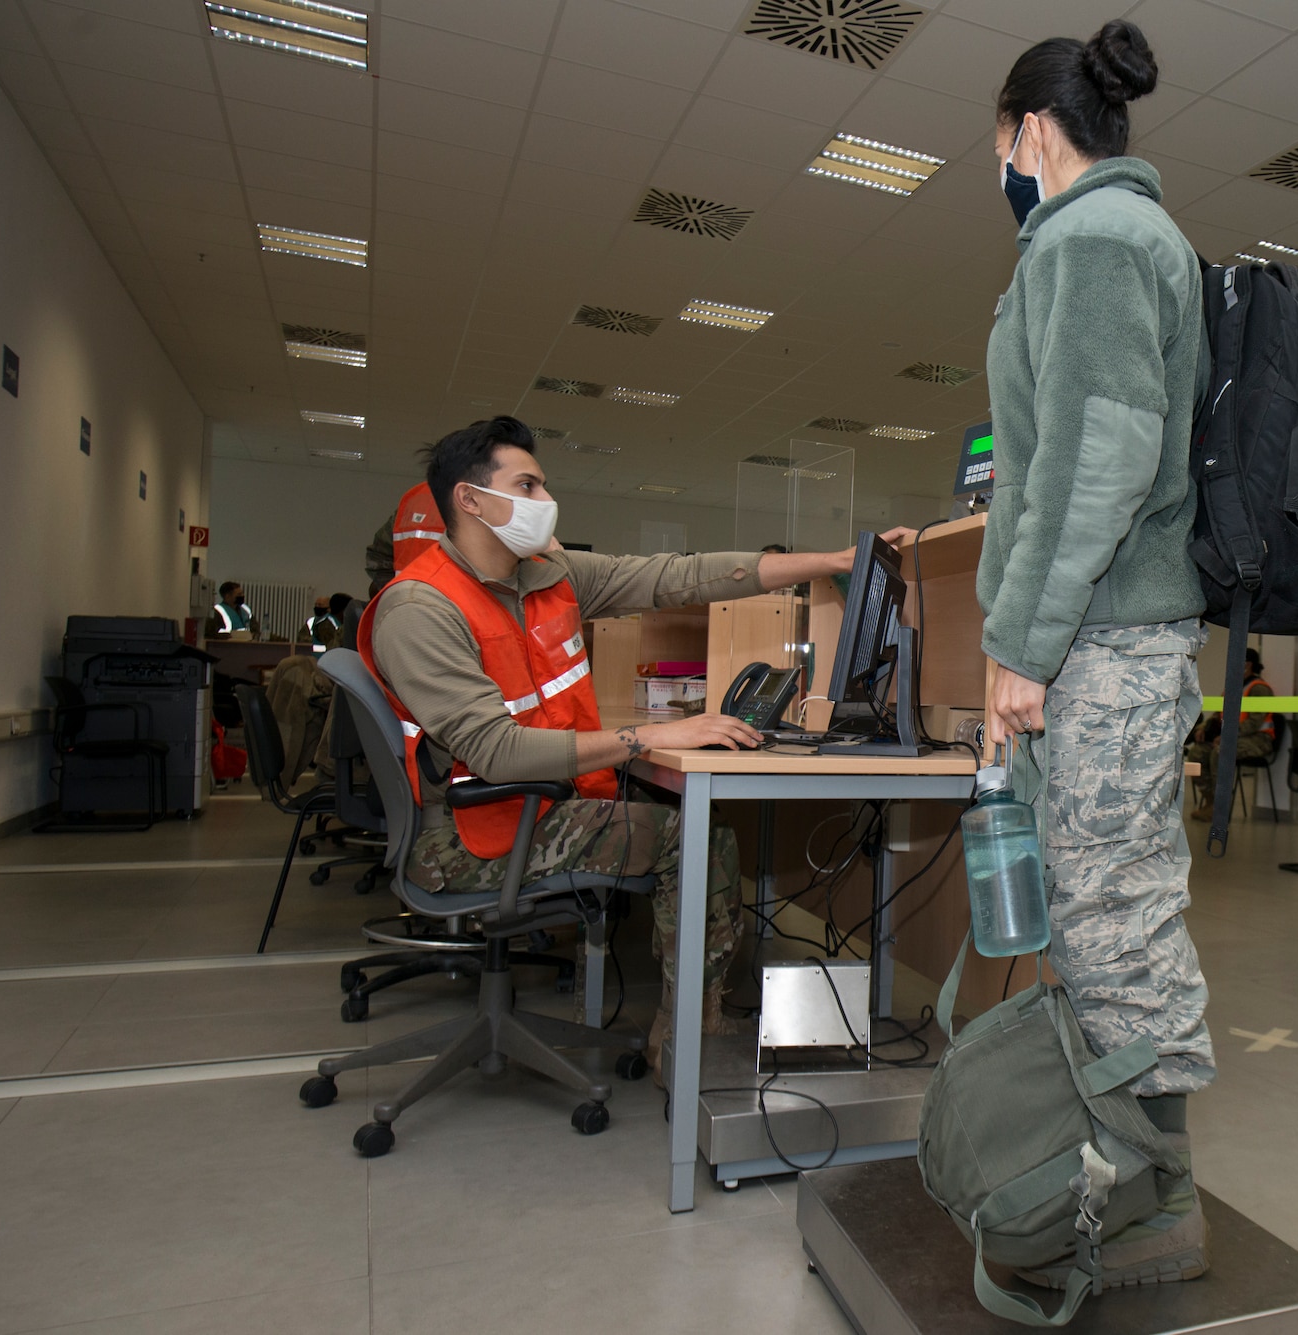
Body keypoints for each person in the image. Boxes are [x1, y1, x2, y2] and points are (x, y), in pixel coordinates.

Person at [359, 415, 910, 1073]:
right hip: (463, 835)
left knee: (683, 816)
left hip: (532, 805)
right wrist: (648, 736)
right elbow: (499, 751)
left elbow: (674, 577)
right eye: (527, 485)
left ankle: (689, 1018)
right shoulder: (421, 608)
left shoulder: (545, 576)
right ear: (470, 499)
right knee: (696, 837)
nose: (545, 503)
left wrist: (830, 561)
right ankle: (688, 1042)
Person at [977, 19, 1212, 1287]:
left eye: (998, 141)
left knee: (1116, 923)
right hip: (1097, 638)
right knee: (1090, 914)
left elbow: (1101, 460)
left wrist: (1021, 643)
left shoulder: (1101, 239)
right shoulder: (1089, 243)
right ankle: (1115, 1171)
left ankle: (1160, 1204)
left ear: (1029, 129)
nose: (999, 161)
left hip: (1107, 641)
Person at [1186, 649, 1276, 822]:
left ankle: (1220, 807)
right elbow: (1217, 714)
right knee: (1196, 754)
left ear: (1248, 665)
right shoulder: (1233, 687)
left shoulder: (1259, 689)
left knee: (1220, 753)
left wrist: (1228, 736)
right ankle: (1211, 801)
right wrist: (1203, 728)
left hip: (1258, 739)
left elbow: (1254, 723)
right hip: (1232, 738)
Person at [364, 480, 448, 596]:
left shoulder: (415, 497)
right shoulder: (474, 498)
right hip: (455, 607)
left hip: (408, 603)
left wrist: (397, 595)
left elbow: (378, 558)